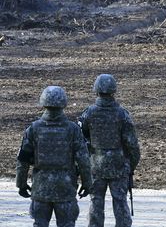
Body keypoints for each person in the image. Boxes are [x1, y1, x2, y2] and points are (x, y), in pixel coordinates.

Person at [16, 86, 93, 227]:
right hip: (65, 189)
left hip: (41, 190)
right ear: (63, 103)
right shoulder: (73, 129)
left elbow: (23, 161)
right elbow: (83, 160)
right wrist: (87, 183)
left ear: (43, 102)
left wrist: (21, 184)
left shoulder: (33, 129)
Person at [78, 74, 140, 227]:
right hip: (118, 165)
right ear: (114, 91)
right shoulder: (122, 114)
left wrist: (86, 162)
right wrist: (130, 165)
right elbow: (132, 145)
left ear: (96, 91)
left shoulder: (88, 113)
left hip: (96, 165)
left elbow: (80, 140)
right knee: (120, 202)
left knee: (95, 203)